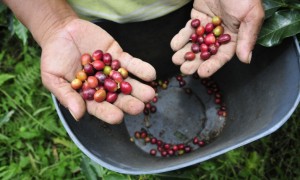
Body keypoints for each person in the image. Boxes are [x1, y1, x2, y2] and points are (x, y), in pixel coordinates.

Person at [2, 0, 264, 124]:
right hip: (92, 24)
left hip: (199, 5)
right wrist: (52, 22)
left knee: (177, 58)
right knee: (148, 71)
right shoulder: (100, 59)